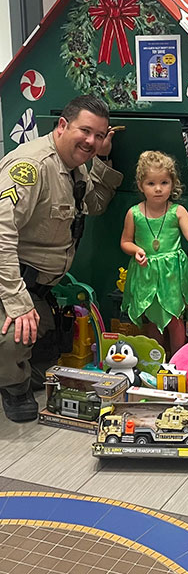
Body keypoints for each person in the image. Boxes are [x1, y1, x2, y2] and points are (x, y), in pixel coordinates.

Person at [0, 94, 123, 422]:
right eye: (85, 131)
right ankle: (14, 389)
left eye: (99, 135)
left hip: (39, 288)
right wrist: (16, 302)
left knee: (52, 346)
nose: (91, 141)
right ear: (62, 125)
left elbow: (94, 205)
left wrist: (103, 160)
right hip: (9, 282)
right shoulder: (32, 167)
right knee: (14, 335)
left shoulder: (75, 164)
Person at [120, 150, 188, 356]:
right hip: (146, 274)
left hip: (173, 276)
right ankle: (156, 364)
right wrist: (136, 250)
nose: (158, 189)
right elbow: (125, 242)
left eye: (164, 183)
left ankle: (178, 363)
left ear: (173, 183)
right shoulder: (134, 213)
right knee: (151, 319)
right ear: (141, 185)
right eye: (151, 183)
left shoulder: (177, 211)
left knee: (176, 320)